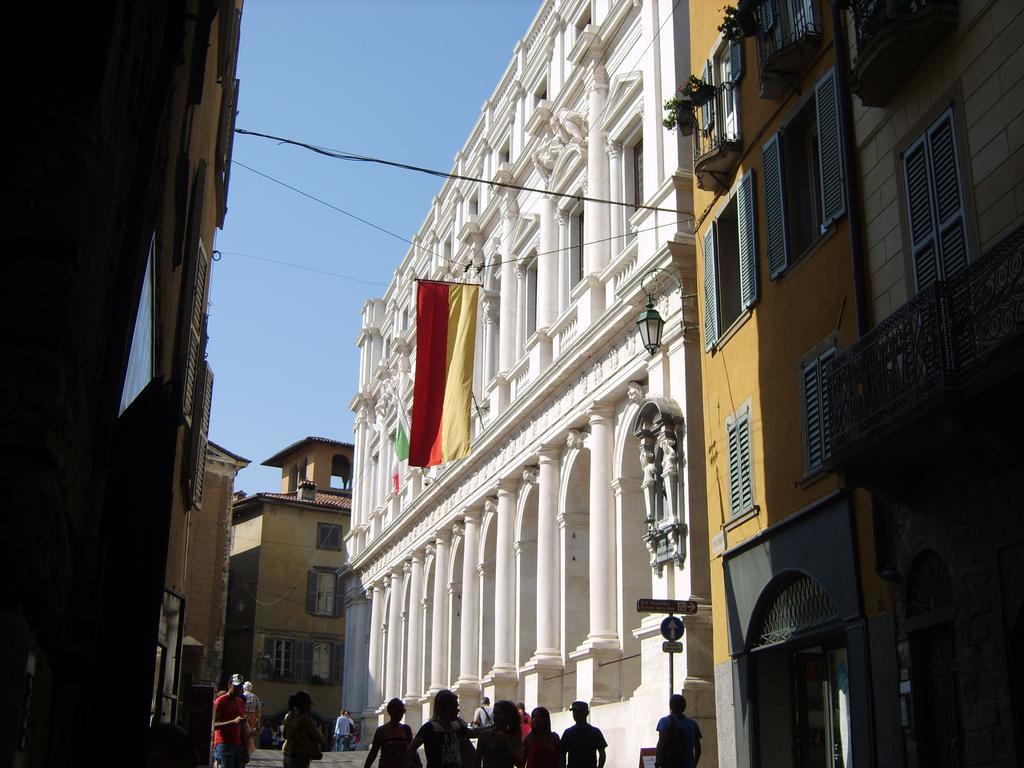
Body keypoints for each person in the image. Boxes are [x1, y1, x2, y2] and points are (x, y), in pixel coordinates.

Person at [409, 689, 473, 768]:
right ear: (447, 708)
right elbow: (410, 750)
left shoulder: (457, 726)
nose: (458, 710)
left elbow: (472, 733)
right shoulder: (429, 728)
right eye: (455, 707)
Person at [365, 698, 415, 768]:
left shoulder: (406, 729)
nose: (401, 714)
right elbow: (373, 753)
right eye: (398, 711)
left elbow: (411, 750)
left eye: (403, 711)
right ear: (390, 711)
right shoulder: (381, 731)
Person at [655, 694, 702, 768]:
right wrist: (694, 764)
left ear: (670, 706)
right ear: (684, 707)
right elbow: (698, 748)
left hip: (669, 764)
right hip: (687, 764)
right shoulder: (693, 724)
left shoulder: (664, 722)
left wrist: (658, 762)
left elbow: (660, 744)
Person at [282, 690, 326, 768]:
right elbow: (319, 738)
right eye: (309, 704)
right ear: (305, 706)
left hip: (287, 754)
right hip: (300, 757)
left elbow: (285, 735)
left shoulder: (289, 716)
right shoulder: (306, 720)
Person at [213, 674, 248, 768]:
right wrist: (232, 722)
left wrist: (245, 749)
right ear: (229, 685)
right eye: (235, 686)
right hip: (223, 744)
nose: (238, 689)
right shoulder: (220, 701)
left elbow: (242, 727)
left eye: (240, 687)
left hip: (237, 745)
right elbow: (213, 725)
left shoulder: (240, 702)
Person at [473, 700, 521, 768]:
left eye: (498, 714)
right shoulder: (485, 735)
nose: (495, 716)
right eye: (494, 713)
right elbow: (477, 761)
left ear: (508, 716)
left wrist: (505, 743)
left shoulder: (514, 736)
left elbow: (519, 763)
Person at [559, 701, 606, 768]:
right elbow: (562, 754)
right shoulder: (568, 733)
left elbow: (602, 753)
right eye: (574, 712)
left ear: (587, 713)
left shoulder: (595, 732)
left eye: (579, 712)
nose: (575, 714)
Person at [243, 681, 262, 757]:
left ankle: (244, 748)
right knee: (249, 734)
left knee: (243, 733)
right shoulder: (255, 697)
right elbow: (259, 709)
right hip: (252, 716)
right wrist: (258, 721)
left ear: (244, 688)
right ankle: (248, 748)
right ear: (250, 688)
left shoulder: (242, 696)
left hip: (244, 716)